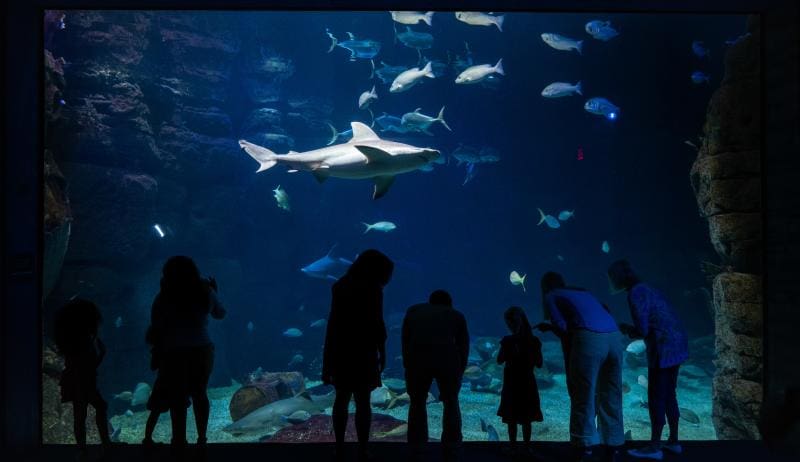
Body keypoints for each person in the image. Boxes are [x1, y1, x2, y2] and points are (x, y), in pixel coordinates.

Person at [538, 272, 624, 462]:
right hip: (615, 336)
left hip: (589, 339)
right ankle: (614, 446)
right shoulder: (583, 292)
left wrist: (550, 327)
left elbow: (562, 327)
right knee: (611, 393)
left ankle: (584, 448)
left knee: (583, 394)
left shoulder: (551, 295)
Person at [607, 260, 688, 460]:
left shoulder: (635, 293)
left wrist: (626, 329)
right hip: (678, 344)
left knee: (656, 397)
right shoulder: (648, 288)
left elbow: (643, 329)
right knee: (670, 394)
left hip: (662, 347)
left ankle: (654, 446)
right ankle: (674, 441)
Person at [322, 249, 394, 461]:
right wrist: (382, 351)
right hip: (364, 350)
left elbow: (333, 325)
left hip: (342, 349)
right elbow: (378, 324)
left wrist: (327, 361)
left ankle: (340, 446)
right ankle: (363, 448)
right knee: (363, 402)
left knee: (341, 399)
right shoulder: (373, 289)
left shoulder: (340, 286)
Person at [151, 256, 226, 454]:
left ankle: (179, 441)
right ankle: (202, 439)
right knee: (200, 393)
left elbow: (156, 326)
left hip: (174, 352)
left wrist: (157, 353)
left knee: (178, 397)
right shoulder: (205, 291)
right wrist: (215, 292)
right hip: (201, 350)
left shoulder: (164, 295)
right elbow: (220, 313)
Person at [402, 290, 469, 462]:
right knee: (451, 401)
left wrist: (407, 363)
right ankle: (452, 446)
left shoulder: (414, 311)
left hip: (418, 359)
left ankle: (417, 447)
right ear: (449, 303)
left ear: (430, 301)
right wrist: (460, 369)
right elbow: (463, 345)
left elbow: (405, 339)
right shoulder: (456, 315)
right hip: (448, 360)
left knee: (417, 402)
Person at [53, 298, 114, 460]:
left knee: (80, 414)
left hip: (77, 381)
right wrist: (102, 354)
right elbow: (89, 365)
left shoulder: (73, 341)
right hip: (84, 382)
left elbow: (81, 365)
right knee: (96, 408)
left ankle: (82, 448)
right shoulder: (85, 341)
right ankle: (104, 444)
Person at [497, 306, 544, 457]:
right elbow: (539, 363)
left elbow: (499, 360)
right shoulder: (534, 341)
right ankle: (527, 447)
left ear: (510, 324)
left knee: (511, 417)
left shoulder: (507, 341)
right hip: (528, 382)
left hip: (511, 383)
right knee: (527, 417)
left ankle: (512, 446)